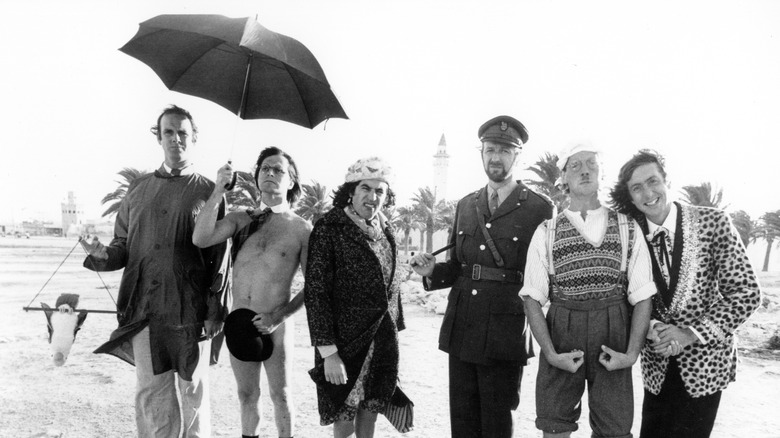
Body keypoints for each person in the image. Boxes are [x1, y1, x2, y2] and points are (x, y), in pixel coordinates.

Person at [79, 105, 229, 437]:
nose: (176, 139)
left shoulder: (208, 190)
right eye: (169, 132)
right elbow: (121, 248)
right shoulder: (137, 189)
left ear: (194, 137)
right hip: (144, 311)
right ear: (158, 136)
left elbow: (221, 257)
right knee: (151, 393)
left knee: (195, 394)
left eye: (183, 133)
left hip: (191, 312)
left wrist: (214, 308)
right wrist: (100, 252)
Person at [410, 116, 553, 438]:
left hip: (505, 328)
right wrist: (432, 271)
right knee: (462, 422)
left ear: (518, 156)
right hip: (462, 325)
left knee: (496, 422)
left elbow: (544, 276)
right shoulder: (466, 204)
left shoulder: (539, 209)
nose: (495, 157)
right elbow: (458, 265)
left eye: (504, 150)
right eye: (490, 150)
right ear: (481, 154)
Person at [609, 149, 762, 438]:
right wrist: (653, 329)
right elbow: (622, 297)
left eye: (653, 181)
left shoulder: (713, 222)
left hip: (706, 367)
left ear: (667, 180)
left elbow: (746, 293)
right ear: (630, 197)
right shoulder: (628, 237)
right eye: (637, 188)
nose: (648, 193)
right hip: (657, 366)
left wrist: (690, 333)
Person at [520, 142, 656, 438]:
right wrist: (551, 353)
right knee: (554, 424)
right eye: (575, 166)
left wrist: (631, 354)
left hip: (613, 337)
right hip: (562, 333)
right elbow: (531, 298)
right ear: (563, 178)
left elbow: (643, 295)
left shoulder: (626, 227)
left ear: (601, 173)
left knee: (615, 429)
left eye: (591, 164)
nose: (584, 171)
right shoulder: (547, 231)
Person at [192, 146, 311, 438]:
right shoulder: (240, 219)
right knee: (246, 396)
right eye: (265, 168)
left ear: (292, 181)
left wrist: (278, 317)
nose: (270, 173)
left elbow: (314, 286)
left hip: (277, 324)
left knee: (280, 395)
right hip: (238, 321)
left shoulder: (302, 229)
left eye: (278, 170)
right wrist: (219, 189)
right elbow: (201, 237)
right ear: (256, 176)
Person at [304, 157, 409, 438]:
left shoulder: (387, 231)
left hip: (382, 340)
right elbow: (316, 293)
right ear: (351, 190)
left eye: (380, 191)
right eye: (365, 188)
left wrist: (394, 333)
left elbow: (391, 287)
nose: (372, 197)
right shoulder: (329, 228)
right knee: (344, 414)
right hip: (345, 342)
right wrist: (329, 352)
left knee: (371, 410)